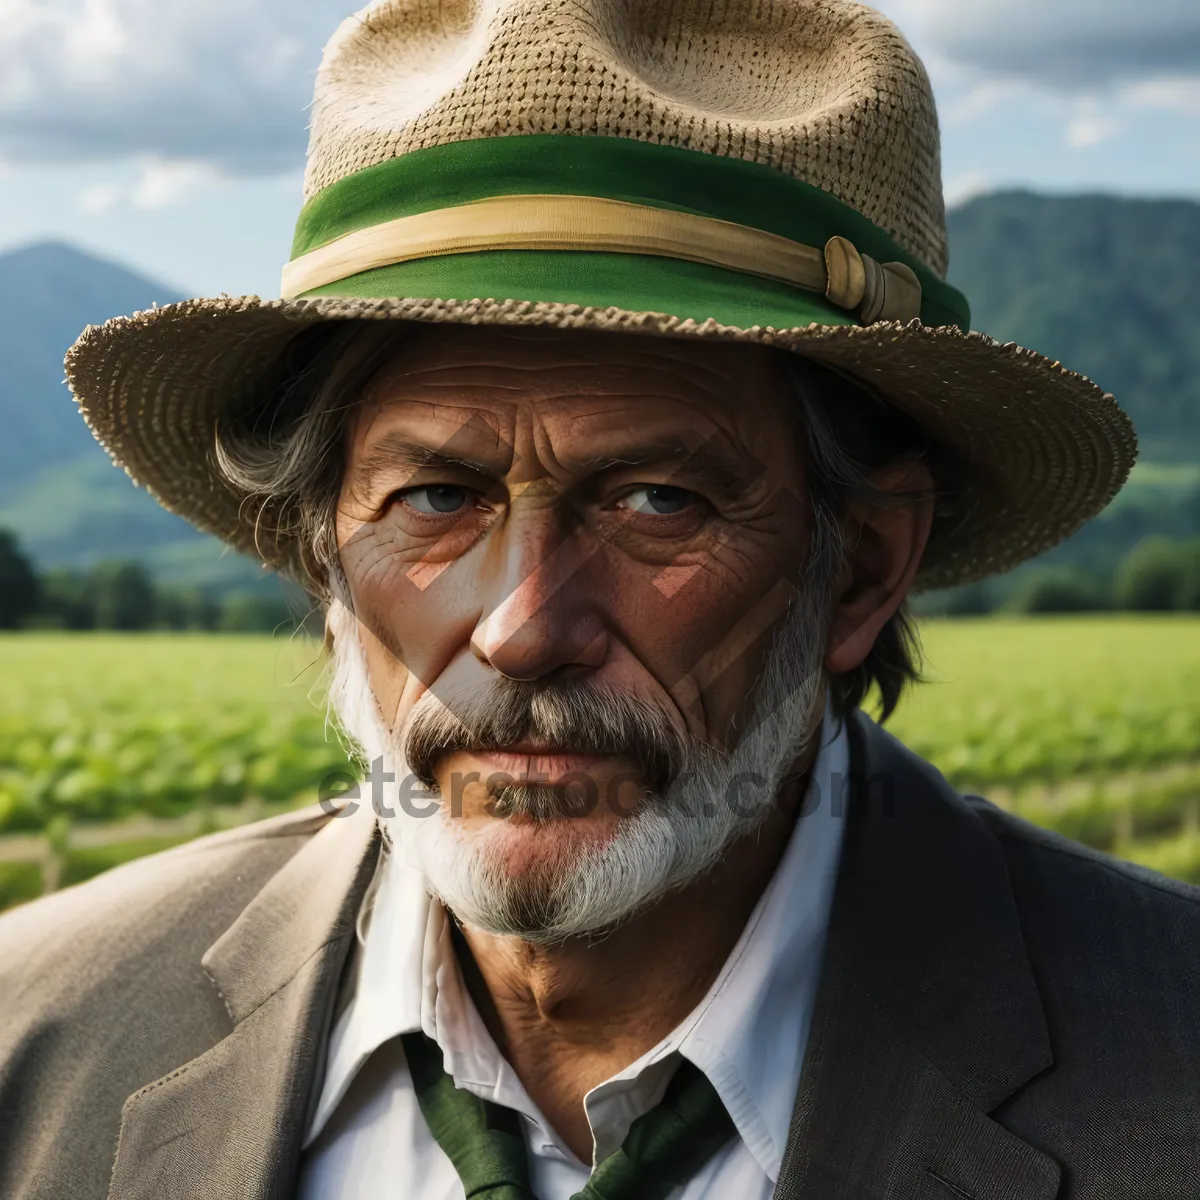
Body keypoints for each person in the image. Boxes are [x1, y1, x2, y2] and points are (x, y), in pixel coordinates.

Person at [1, 1, 1195, 1197]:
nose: (522, 630)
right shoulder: (38, 1033)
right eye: (432, 497)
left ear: (863, 569)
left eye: (657, 502)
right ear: (323, 562)